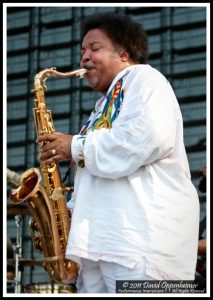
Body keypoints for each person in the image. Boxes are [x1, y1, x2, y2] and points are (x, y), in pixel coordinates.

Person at [37, 13, 200, 293]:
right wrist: (64, 215)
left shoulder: (145, 78)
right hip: (103, 248)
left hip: (143, 247)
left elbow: (146, 138)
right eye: (82, 51)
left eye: (95, 48)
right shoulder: (104, 105)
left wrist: (74, 145)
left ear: (124, 53)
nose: (84, 58)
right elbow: (100, 170)